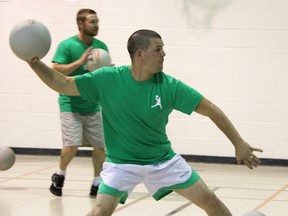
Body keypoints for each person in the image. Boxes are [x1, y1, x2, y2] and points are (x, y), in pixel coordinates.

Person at [27, 29, 263, 216]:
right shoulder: (106, 79)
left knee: (210, 201)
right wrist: (34, 63)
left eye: (163, 49)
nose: (164, 55)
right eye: (158, 49)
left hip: (163, 161)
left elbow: (211, 109)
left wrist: (238, 142)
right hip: (121, 164)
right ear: (140, 54)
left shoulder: (169, 86)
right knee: (100, 211)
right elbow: (63, 84)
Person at [49, 8, 108, 197]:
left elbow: (101, 76)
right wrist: (80, 61)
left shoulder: (101, 47)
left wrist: (107, 71)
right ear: (81, 24)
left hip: (93, 105)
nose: (96, 24)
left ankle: (96, 183)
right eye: (92, 21)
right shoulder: (67, 46)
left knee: (100, 147)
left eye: (97, 21)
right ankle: (60, 175)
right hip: (70, 105)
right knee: (72, 146)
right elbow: (57, 70)